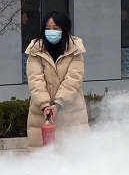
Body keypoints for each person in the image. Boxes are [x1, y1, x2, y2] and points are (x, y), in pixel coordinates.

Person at [24, 11, 88, 148]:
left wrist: (58, 104)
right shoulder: (35, 50)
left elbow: (73, 79)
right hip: (41, 113)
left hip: (71, 113)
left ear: (64, 29)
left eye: (55, 28)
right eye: (48, 28)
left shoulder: (75, 50)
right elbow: (35, 80)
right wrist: (45, 105)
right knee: (43, 155)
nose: (51, 32)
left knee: (74, 154)